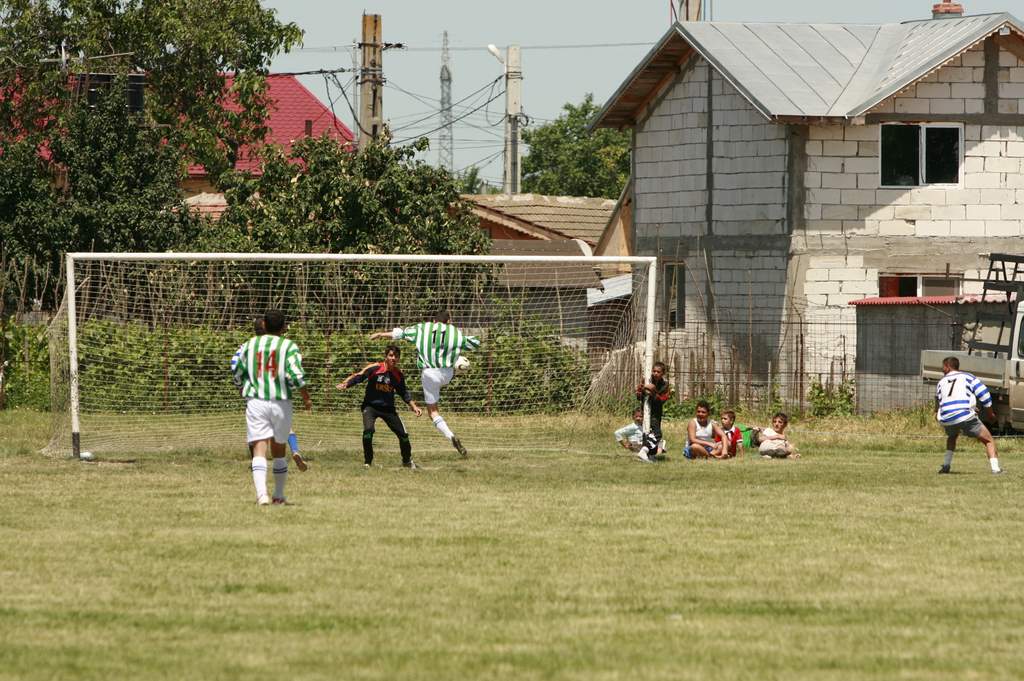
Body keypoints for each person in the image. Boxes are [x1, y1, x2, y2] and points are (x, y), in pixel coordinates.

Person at [370, 311, 479, 457]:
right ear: (449, 321)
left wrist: (381, 334)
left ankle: (451, 436)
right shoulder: (455, 333)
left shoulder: (423, 328)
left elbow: (400, 333)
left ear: (434, 321)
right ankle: (456, 364)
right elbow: (474, 343)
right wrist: (457, 350)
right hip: (447, 374)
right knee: (454, 361)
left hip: (429, 374)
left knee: (433, 412)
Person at [231, 309, 312, 506]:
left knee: (259, 448)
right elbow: (297, 375)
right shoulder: (289, 346)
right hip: (281, 401)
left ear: (264, 325)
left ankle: (262, 496)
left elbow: (237, 370)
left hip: (256, 401)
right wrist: (306, 397)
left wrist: (242, 386)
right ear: (284, 327)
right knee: (278, 450)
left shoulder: (250, 345)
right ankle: (278, 494)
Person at [338, 345, 423, 468]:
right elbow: (360, 376)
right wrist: (347, 384)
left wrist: (414, 406)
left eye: (396, 356)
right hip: (370, 406)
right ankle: (367, 462)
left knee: (403, 435)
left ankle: (407, 461)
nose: (393, 358)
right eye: (391, 355)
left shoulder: (398, 374)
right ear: (386, 356)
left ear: (399, 359)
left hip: (388, 409)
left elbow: (403, 392)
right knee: (368, 431)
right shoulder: (375, 368)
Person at [935, 356, 1003, 475]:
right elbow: (984, 394)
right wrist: (990, 414)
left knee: (952, 437)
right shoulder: (967, 377)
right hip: (964, 415)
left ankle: (946, 466)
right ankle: (996, 469)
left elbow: (940, 402)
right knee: (988, 440)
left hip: (946, 418)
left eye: (943, 367)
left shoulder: (941, 382)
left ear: (947, 366)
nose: (942, 369)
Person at [636, 361, 671, 454]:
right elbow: (638, 396)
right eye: (654, 371)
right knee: (647, 432)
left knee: (656, 433)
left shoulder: (665, 385)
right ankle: (644, 452)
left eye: (658, 372)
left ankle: (649, 453)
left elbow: (662, 401)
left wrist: (654, 391)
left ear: (663, 373)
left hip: (656, 413)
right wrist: (643, 389)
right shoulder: (646, 380)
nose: (655, 373)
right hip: (645, 410)